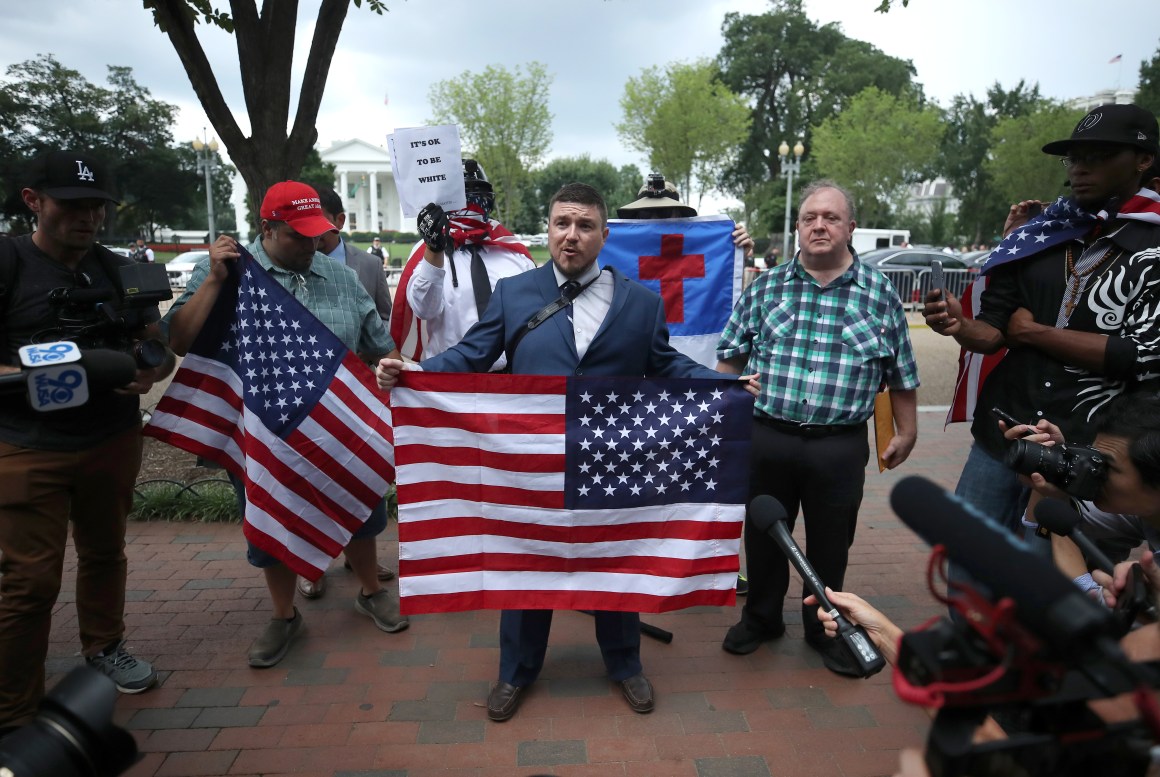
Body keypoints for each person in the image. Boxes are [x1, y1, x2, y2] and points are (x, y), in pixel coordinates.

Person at [376, 182, 758, 722]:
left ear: (605, 234)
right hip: (529, 463)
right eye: (561, 224)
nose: (571, 236)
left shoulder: (642, 303)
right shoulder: (514, 294)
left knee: (616, 561)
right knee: (526, 563)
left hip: (613, 459)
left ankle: (625, 664)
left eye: (583, 225)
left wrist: (726, 388)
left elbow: (667, 366)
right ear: (548, 230)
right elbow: (471, 355)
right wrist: (416, 374)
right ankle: (516, 671)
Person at [164, 180, 408, 668]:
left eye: (317, 234)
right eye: (297, 236)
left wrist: (389, 366)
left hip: (334, 430)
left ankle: (368, 590)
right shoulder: (227, 274)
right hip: (262, 429)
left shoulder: (340, 277)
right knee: (267, 521)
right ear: (267, 228)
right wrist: (213, 280)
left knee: (362, 510)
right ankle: (283, 614)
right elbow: (180, 341)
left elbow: (381, 345)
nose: (311, 245)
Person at [0, 149, 176, 735]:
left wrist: (147, 367)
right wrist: (57, 374)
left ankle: (106, 648)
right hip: (28, 445)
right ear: (34, 201)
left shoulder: (120, 268)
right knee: (30, 582)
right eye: (73, 206)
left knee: (105, 552)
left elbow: (157, 345)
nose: (89, 218)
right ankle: (15, 712)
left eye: (97, 206)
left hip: (110, 437)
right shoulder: (8, 263)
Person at [924, 104, 1160, 536]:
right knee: (963, 559)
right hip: (1003, 433)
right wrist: (960, 326)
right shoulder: (1043, 233)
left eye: (1100, 156)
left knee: (1050, 581)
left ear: (1143, 160)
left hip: (1087, 449)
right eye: (1075, 159)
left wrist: (1034, 333)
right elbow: (994, 331)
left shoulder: (1153, 245)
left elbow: (1140, 355)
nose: (1081, 169)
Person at [715, 179, 920, 676]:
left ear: (850, 227)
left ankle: (827, 627)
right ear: (798, 227)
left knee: (831, 543)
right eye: (809, 218)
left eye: (830, 217)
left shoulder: (879, 293)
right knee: (763, 536)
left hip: (839, 445)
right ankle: (762, 618)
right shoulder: (765, 288)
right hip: (769, 436)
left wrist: (907, 430)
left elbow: (902, 374)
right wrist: (723, 410)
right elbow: (729, 358)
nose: (819, 225)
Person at [616, 174, 755, 595]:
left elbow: (746, 312)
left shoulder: (719, 250)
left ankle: (709, 558)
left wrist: (742, 259)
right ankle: (634, 555)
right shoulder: (610, 251)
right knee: (639, 468)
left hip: (693, 380)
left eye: (666, 214)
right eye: (649, 216)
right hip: (636, 382)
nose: (658, 222)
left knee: (700, 470)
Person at [286, 187, 396, 601]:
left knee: (358, 482)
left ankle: (361, 561)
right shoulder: (263, 273)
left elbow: (381, 319)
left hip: (354, 394)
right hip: (300, 403)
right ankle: (311, 564)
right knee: (307, 488)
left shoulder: (361, 267)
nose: (314, 242)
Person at [390, 159, 535, 368]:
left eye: (478, 192)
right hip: (450, 379)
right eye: (464, 194)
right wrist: (434, 250)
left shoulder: (513, 252)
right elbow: (424, 310)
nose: (472, 202)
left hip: (507, 379)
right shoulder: (426, 251)